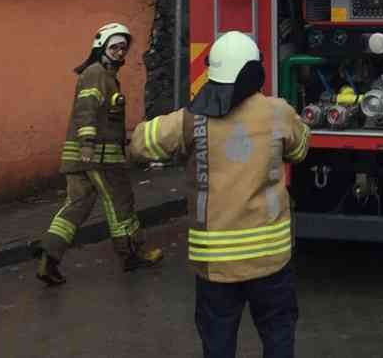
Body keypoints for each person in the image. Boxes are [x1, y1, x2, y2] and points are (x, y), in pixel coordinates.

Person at [129, 31, 311, 358]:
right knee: (278, 335)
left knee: (218, 343)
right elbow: (299, 149)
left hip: (216, 265)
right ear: (255, 70)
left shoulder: (192, 119)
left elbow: (142, 144)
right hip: (270, 261)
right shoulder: (278, 113)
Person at [35, 22, 164, 286]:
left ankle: (49, 255)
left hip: (83, 157)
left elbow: (103, 116)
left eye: (122, 48)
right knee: (120, 203)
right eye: (114, 46)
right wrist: (88, 143)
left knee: (77, 205)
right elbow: (86, 110)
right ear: (101, 47)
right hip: (98, 157)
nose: (119, 52)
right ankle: (132, 254)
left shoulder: (103, 75)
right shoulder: (96, 75)